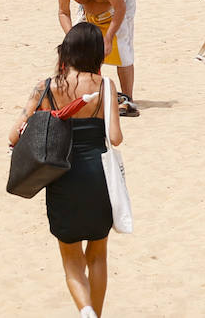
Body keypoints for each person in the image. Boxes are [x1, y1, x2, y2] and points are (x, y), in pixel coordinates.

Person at [8, 22, 123, 318]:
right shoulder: (105, 86)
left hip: (61, 177)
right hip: (98, 177)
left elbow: (12, 136)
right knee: (97, 255)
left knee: (71, 258)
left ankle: (84, 310)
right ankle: (95, 313)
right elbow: (115, 137)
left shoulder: (46, 86)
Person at [58, 0, 139, 115]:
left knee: (121, 46)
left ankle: (128, 97)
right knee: (80, 49)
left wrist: (108, 38)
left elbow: (120, 7)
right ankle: (85, 92)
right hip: (91, 10)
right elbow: (63, 12)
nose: (78, 0)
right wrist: (72, 38)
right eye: (74, 0)